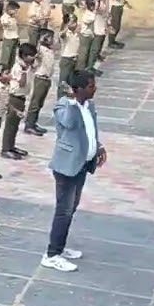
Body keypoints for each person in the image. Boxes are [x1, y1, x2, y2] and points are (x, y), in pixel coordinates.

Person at [42, 73, 105, 273]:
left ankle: (60, 247)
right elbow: (69, 123)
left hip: (82, 165)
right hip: (66, 167)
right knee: (64, 210)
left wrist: (98, 147)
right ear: (78, 89)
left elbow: (90, 130)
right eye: (90, 86)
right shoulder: (63, 106)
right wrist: (72, 101)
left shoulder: (90, 106)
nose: (94, 88)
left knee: (72, 208)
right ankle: (52, 254)